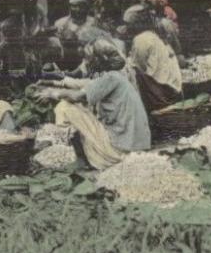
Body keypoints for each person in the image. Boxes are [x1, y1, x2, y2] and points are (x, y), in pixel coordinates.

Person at [34, 38, 151, 170]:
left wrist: (52, 94)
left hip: (121, 149)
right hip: (134, 145)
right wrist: (53, 84)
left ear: (99, 59)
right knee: (77, 106)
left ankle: (81, 159)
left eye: (89, 58)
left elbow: (77, 96)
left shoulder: (110, 78)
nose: (87, 62)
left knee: (66, 107)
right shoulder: (115, 76)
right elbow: (86, 85)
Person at [123, 4, 183, 112]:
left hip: (163, 92)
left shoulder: (141, 39)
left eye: (128, 24)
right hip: (173, 88)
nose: (126, 28)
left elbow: (138, 67)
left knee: (129, 71)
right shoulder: (152, 34)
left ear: (136, 23)